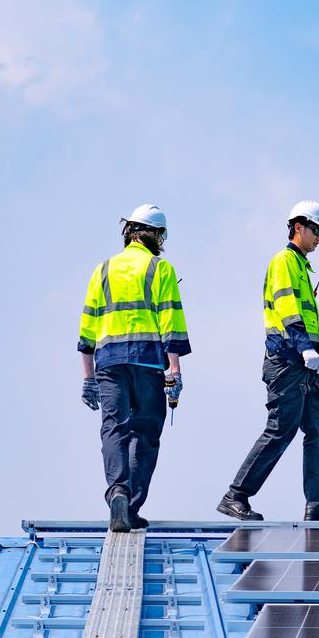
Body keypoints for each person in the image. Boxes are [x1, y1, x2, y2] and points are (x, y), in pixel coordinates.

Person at [218, 200, 319, 522]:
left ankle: (318, 504)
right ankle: (236, 495)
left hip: (305, 367)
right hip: (288, 361)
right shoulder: (284, 261)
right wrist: (305, 348)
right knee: (281, 429)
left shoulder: (301, 266)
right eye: (316, 230)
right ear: (298, 227)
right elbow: (288, 309)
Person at [78, 204, 191, 532]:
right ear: (155, 235)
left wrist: (88, 378)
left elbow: (87, 327)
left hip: (109, 363)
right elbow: (171, 321)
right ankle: (131, 503)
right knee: (144, 433)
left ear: (129, 232)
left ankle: (118, 493)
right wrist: (175, 372)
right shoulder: (160, 268)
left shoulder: (102, 270)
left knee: (113, 428)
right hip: (147, 362)